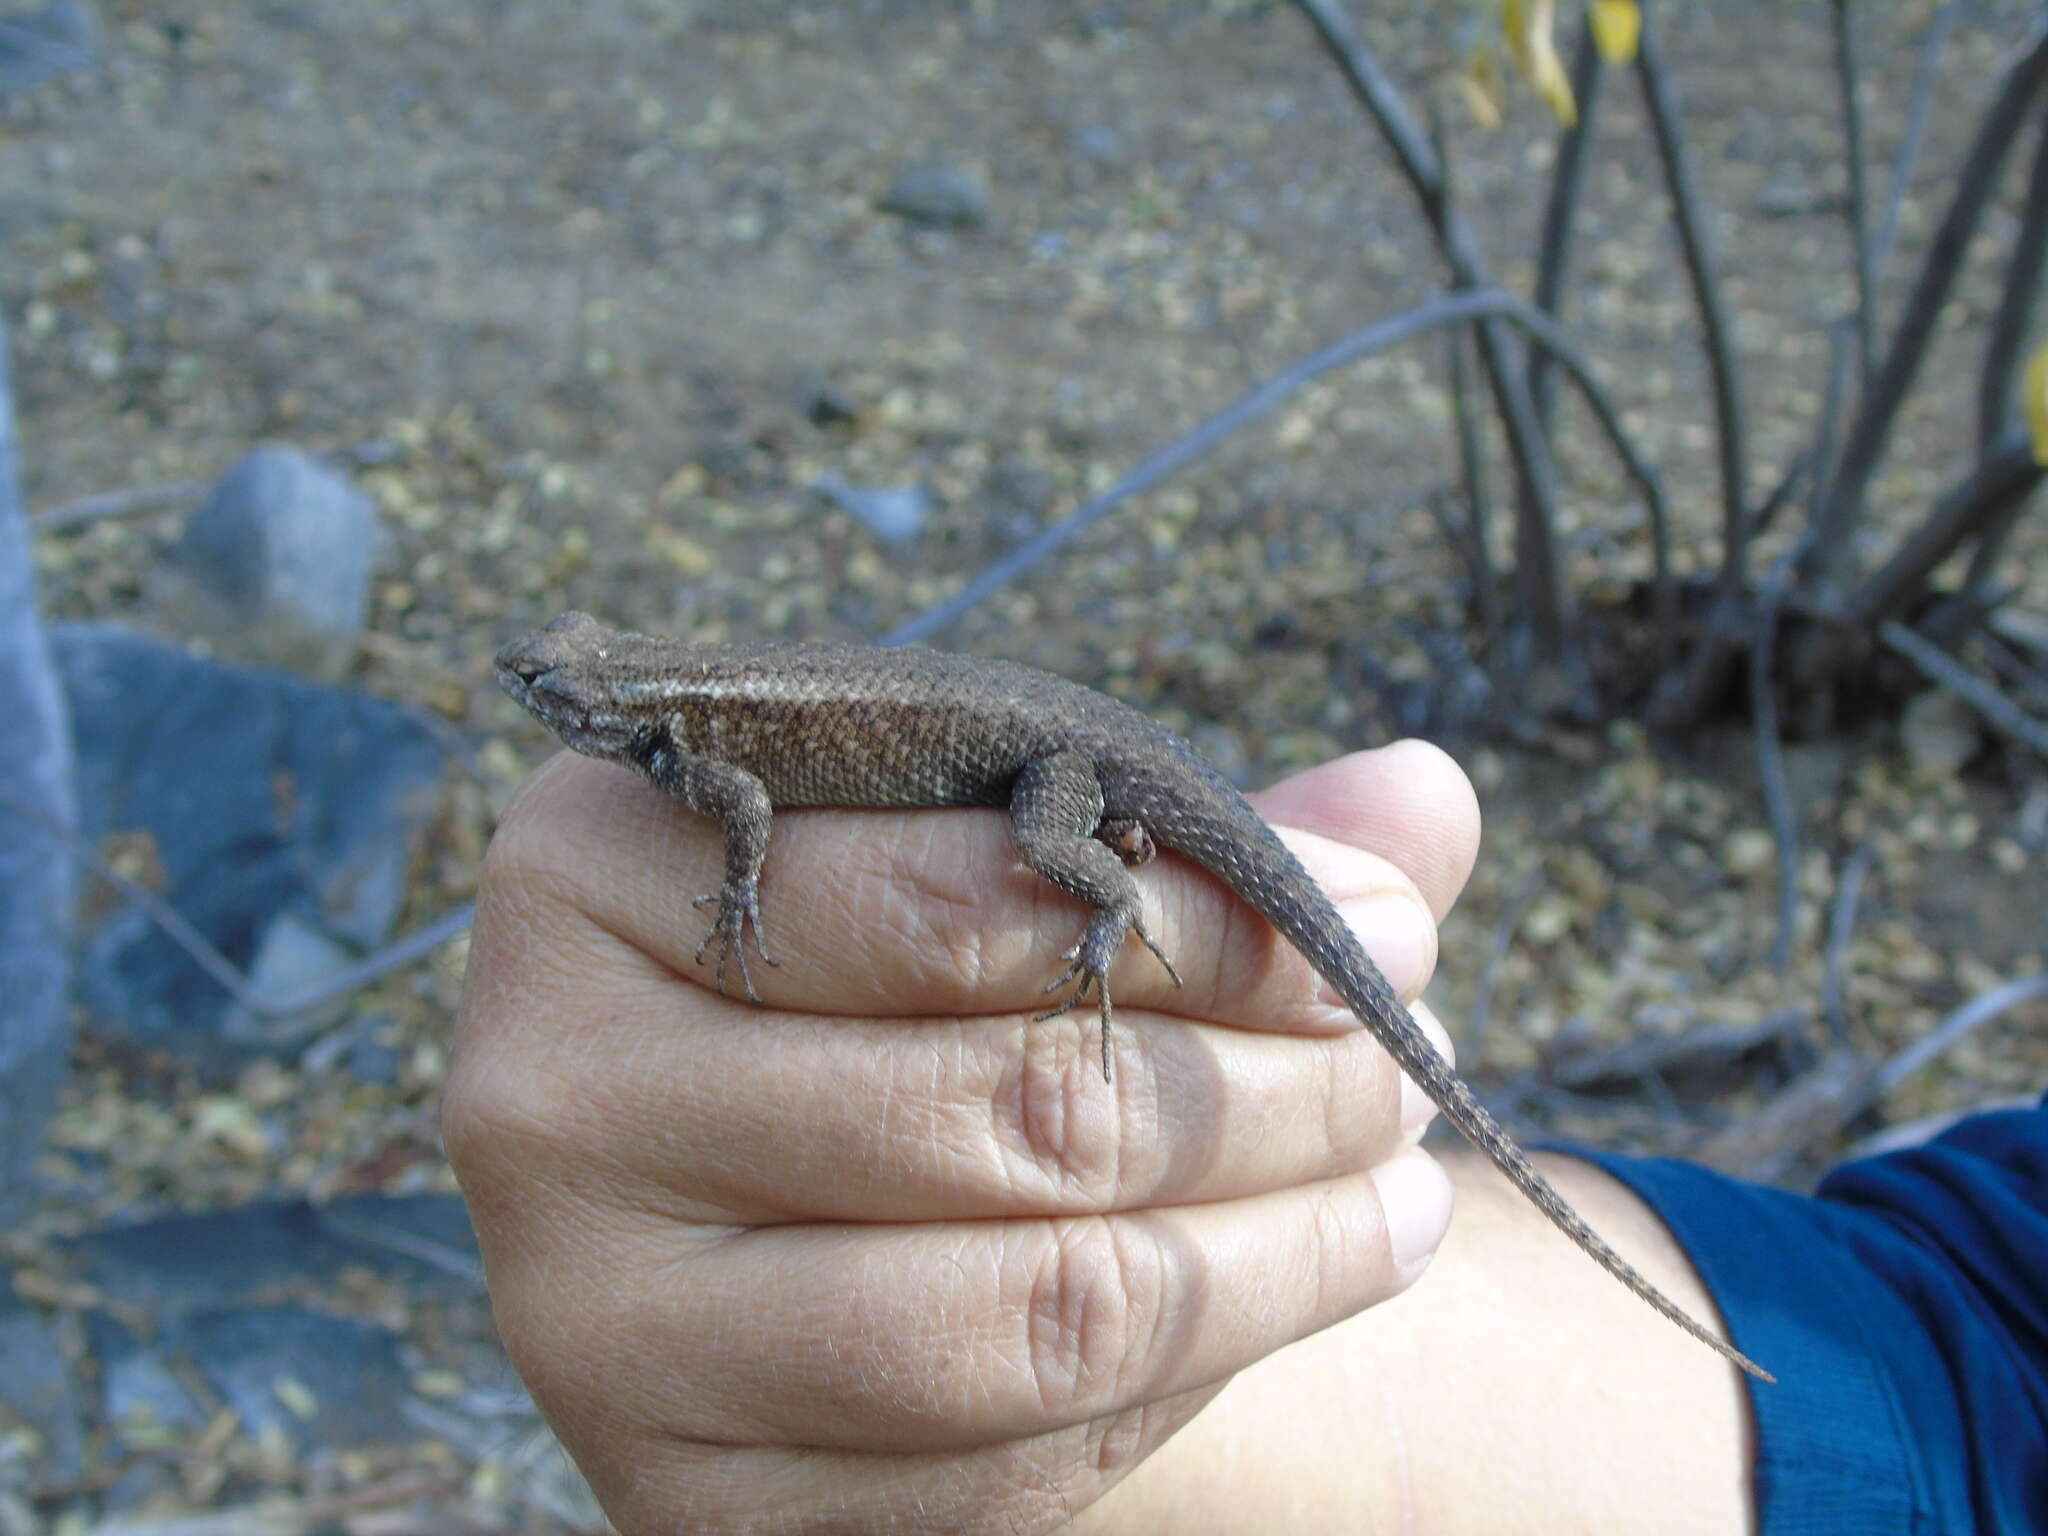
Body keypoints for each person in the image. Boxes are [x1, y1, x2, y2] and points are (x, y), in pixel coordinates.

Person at [445, 740, 2047, 1533]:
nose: (546, 720)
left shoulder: (691, 749)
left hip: (1066, 763)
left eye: (551, 703)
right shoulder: (1982, 1337)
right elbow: (1937, 1362)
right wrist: (984, 1391)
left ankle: (1114, 896)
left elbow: (738, 812)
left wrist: (749, 887)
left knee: (1066, 862)